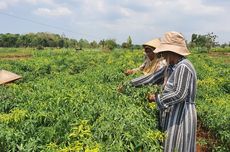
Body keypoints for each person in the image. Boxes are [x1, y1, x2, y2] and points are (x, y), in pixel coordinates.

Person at [148, 31, 197, 152]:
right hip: (173, 112)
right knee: (170, 144)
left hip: (182, 115)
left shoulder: (184, 66)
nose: (163, 56)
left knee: (178, 145)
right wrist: (130, 83)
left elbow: (179, 94)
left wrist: (156, 98)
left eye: (164, 52)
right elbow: (152, 77)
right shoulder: (170, 67)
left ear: (172, 51)